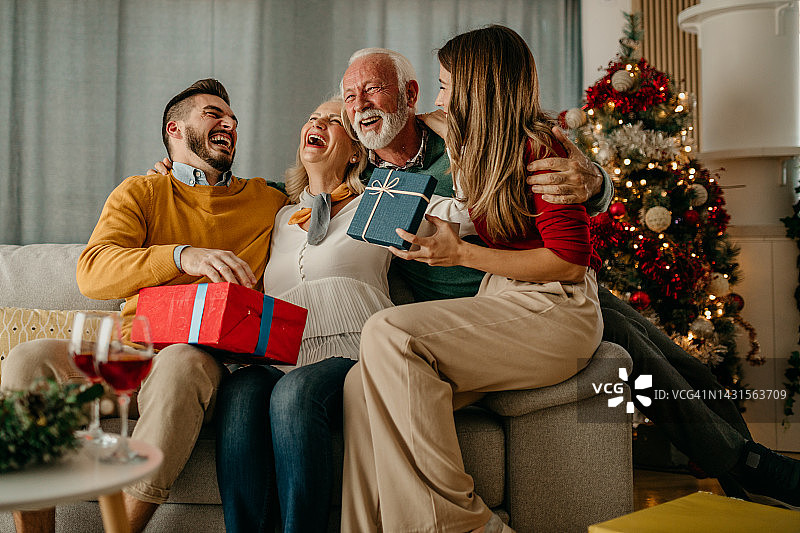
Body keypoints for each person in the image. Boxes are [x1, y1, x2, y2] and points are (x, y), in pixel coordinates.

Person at [340, 46, 800, 510]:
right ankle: (748, 466)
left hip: (534, 284)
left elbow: (551, 164)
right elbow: (303, 188)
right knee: (636, 345)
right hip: (491, 300)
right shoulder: (355, 173)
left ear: (408, 95)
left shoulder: (457, 132)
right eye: (347, 100)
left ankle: (749, 467)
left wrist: (596, 181)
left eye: (372, 91)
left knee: (675, 358)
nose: (358, 108)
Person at [341, 25, 603, 532]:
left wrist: (460, 252)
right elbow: (401, 122)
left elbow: (568, 262)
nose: (438, 99)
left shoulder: (539, 149)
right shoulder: (472, 140)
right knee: (359, 384)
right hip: (503, 301)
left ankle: (464, 526)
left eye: (444, 84)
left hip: (554, 305)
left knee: (388, 332)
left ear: (477, 88)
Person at [1, 78, 288, 533]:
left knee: (180, 362)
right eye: (213, 114)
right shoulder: (141, 191)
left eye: (232, 118)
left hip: (199, 361)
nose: (229, 122)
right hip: (130, 350)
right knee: (26, 360)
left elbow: (333, 184)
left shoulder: (269, 200)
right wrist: (181, 254)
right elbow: (93, 271)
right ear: (175, 128)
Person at [212, 97, 387, 533]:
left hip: (353, 354)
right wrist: (169, 170)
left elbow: (453, 213)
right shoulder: (279, 213)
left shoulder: (378, 204)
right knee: (240, 392)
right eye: (313, 118)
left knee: (294, 394)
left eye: (334, 121)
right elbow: (214, 196)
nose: (319, 123)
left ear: (355, 151)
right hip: (282, 355)